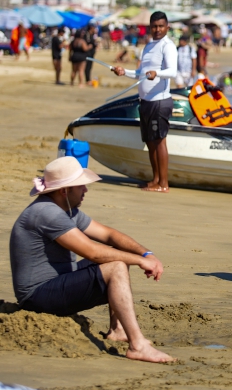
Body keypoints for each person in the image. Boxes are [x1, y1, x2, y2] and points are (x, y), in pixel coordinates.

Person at [9, 156, 174, 363]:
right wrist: (140, 261)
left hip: (57, 282)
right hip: (37, 296)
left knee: (118, 258)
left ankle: (118, 330)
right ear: (64, 191)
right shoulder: (47, 213)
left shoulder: (66, 209)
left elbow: (109, 235)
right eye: (81, 186)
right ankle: (138, 346)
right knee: (115, 267)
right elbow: (93, 252)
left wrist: (146, 254)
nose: (86, 190)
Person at [113, 11, 178, 192]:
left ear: (167, 27)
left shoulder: (168, 46)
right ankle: (155, 179)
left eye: (160, 26)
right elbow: (141, 73)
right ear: (149, 28)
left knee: (159, 142)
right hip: (146, 101)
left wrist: (157, 73)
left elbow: (173, 72)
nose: (157, 29)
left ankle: (164, 184)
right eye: (154, 26)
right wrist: (123, 72)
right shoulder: (148, 47)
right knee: (150, 142)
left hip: (160, 101)